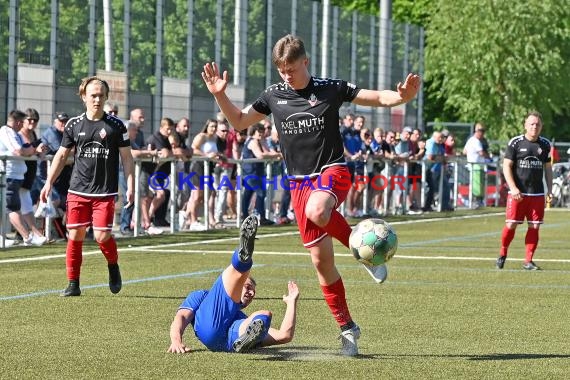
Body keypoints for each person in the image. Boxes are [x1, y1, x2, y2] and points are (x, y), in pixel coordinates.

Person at [201, 34, 420, 356]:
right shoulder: (273, 95)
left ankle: (363, 252)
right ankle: (348, 329)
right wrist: (220, 96)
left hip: (332, 171)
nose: (287, 76)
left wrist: (401, 97)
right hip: (298, 185)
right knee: (322, 264)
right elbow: (238, 121)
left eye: (291, 69)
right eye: (281, 70)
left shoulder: (330, 88)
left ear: (305, 62)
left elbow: (375, 98)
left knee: (320, 209)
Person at [40, 76, 135, 297]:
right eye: (93, 95)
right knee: (75, 235)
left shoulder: (116, 126)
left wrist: (130, 185)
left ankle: (113, 265)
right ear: (84, 97)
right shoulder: (74, 124)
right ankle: (73, 283)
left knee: (102, 236)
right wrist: (48, 182)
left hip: (105, 192)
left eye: (101, 95)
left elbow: (127, 158)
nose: (97, 99)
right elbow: (62, 155)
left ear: (106, 97)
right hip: (78, 190)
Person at [167, 215, 299, 353]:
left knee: (264, 317)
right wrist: (176, 341)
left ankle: (245, 341)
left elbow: (285, 335)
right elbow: (181, 317)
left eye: (253, 292)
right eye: (248, 287)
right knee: (241, 274)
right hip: (210, 327)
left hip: (228, 342)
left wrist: (291, 303)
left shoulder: (240, 317)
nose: (251, 293)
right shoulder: (202, 296)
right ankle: (243, 256)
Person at [496, 111, 553, 271]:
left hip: (537, 193)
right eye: (532, 124)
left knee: (535, 226)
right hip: (517, 193)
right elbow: (506, 166)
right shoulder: (515, 143)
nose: (535, 126)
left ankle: (528, 260)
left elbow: (548, 168)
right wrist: (513, 188)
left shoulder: (545, 145)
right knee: (511, 224)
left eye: (538, 124)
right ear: (525, 126)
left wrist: (550, 188)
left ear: (541, 127)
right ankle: (503, 252)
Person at [0, 110, 46, 247]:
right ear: (19, 122)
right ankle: (28, 237)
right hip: (8, 175)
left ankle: (8, 237)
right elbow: (18, 151)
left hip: (15, 175)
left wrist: (33, 150)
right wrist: (33, 150)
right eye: (23, 122)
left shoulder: (14, 133)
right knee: (12, 207)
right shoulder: (6, 131)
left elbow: (25, 150)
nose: (23, 126)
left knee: (10, 207)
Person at [463, 123, 490, 209]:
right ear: (477, 131)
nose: (482, 133)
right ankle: (476, 201)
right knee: (477, 185)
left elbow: (464, 151)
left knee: (477, 184)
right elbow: (481, 153)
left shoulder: (470, 140)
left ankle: (477, 201)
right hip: (476, 166)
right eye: (481, 131)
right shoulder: (476, 141)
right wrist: (489, 156)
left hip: (474, 165)